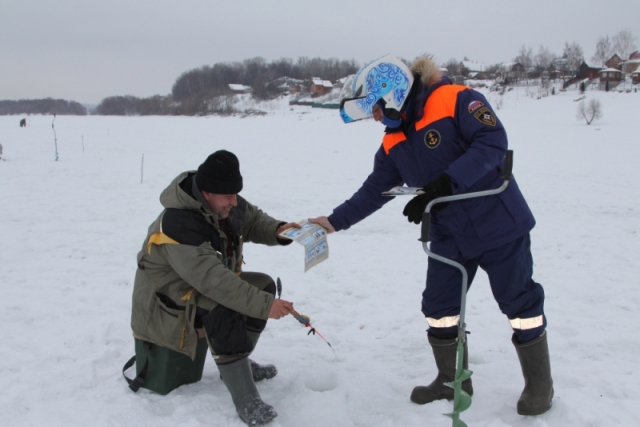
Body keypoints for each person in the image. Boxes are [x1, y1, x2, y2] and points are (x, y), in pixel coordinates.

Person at [310, 55, 553, 416]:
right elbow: (375, 190)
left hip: (497, 223)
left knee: (521, 307)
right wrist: (333, 222)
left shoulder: (457, 99)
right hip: (449, 235)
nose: (375, 117)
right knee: (439, 310)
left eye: (374, 108)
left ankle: (540, 386)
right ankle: (452, 380)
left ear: (392, 94)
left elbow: (492, 141)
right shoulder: (393, 141)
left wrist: (445, 183)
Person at [131, 150, 300, 426]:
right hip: (168, 307)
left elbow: (253, 220)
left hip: (198, 290)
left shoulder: (224, 201)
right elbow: (215, 283)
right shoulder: (177, 224)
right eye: (228, 197)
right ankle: (246, 398)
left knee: (263, 285)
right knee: (225, 303)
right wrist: (266, 306)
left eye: (236, 195)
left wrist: (281, 230)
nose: (234, 202)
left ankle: (238, 367)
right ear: (206, 193)